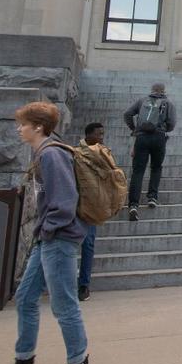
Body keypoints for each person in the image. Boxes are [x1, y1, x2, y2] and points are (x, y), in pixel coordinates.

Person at [0, 101, 91, 364]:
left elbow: (64, 201)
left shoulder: (51, 155)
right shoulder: (43, 153)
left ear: (38, 127)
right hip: (48, 237)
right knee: (25, 297)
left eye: (23, 124)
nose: (19, 129)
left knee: (64, 304)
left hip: (58, 238)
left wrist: (48, 228)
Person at [124, 83, 175, 221]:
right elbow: (172, 123)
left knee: (138, 171)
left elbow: (127, 114)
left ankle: (134, 204)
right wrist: (164, 129)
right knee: (156, 167)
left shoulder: (142, 101)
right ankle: (152, 197)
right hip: (159, 137)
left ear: (151, 90)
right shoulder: (167, 103)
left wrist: (134, 128)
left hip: (141, 137)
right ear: (164, 91)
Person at [77, 122, 108, 301]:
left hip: (92, 207)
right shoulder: (76, 153)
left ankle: (84, 285)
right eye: (99, 134)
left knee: (88, 245)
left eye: (103, 134)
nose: (101, 137)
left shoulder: (104, 153)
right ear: (88, 136)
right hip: (75, 206)